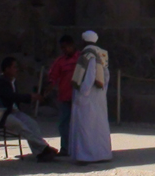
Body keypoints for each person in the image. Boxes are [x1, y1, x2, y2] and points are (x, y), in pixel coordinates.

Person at [0, 57, 58, 162]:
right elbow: (11, 96)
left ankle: (40, 152)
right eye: (14, 67)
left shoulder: (12, 81)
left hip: (13, 112)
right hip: (3, 115)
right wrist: (30, 97)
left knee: (32, 124)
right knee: (22, 127)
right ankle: (45, 148)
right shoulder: (0, 82)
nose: (16, 69)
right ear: (7, 69)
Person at [69, 31, 111, 164]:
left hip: (88, 96)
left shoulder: (88, 55)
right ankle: (102, 153)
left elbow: (91, 75)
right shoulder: (102, 54)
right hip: (99, 95)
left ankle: (85, 155)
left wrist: (83, 92)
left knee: (85, 126)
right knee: (99, 125)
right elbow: (106, 75)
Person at [46, 35, 79, 155]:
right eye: (62, 48)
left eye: (65, 47)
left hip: (79, 98)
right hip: (65, 97)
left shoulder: (81, 59)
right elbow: (53, 75)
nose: (64, 50)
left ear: (72, 45)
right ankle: (65, 148)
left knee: (79, 124)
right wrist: (49, 86)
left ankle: (79, 148)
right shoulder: (60, 61)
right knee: (64, 124)